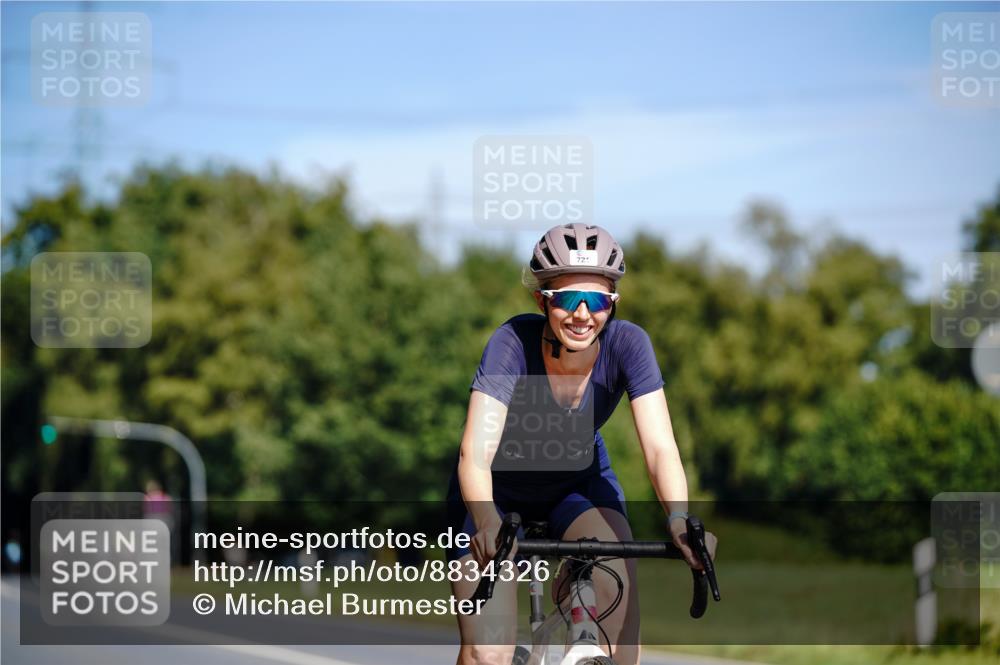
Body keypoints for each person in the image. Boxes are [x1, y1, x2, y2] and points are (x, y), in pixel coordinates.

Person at [447, 223, 712, 665]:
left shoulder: (629, 344)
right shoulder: (511, 343)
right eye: (569, 299)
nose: (583, 314)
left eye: (599, 301)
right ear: (542, 301)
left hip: (577, 487)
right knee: (487, 653)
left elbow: (661, 449)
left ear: (614, 302)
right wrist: (486, 518)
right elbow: (474, 454)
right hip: (494, 492)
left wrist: (680, 517)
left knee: (621, 640)